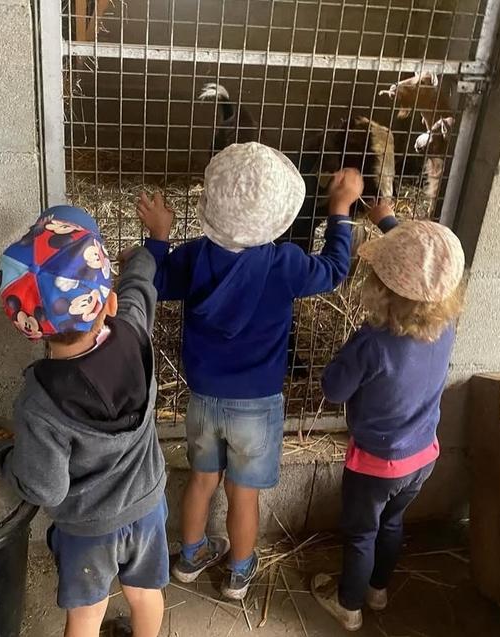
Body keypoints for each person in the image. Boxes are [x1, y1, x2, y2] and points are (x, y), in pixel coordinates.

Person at [136, 141, 361, 600]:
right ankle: (239, 572)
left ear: (210, 205)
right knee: (243, 493)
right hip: (257, 405)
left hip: (202, 397)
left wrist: (159, 236)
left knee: (202, 479)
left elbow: (154, 282)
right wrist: (340, 210)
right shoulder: (285, 264)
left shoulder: (195, 256)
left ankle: (189, 557)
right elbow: (336, 269)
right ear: (278, 215)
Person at [0, 206, 168, 637]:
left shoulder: (39, 404)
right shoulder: (135, 331)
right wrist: (145, 251)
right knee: (145, 592)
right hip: (147, 504)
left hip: (89, 527)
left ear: (31, 330)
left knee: (88, 612)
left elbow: (44, 486)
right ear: (110, 303)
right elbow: (141, 288)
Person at [311, 204, 466, 631]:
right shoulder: (446, 325)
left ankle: (349, 604)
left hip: (376, 463)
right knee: (392, 523)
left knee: (361, 533)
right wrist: (388, 222)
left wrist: (338, 362)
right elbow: (423, 268)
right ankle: (378, 591)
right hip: (423, 456)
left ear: (381, 287)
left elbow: (333, 390)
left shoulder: (371, 342)